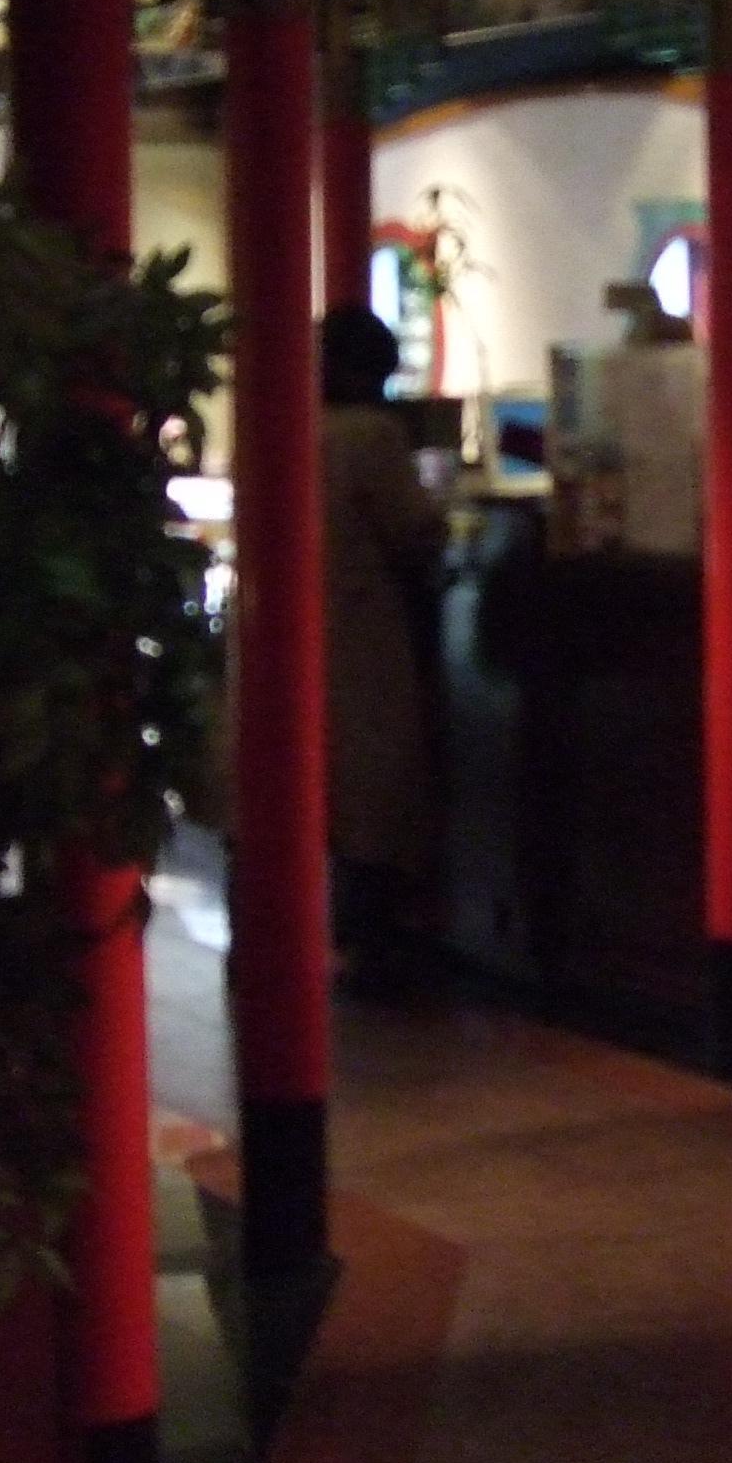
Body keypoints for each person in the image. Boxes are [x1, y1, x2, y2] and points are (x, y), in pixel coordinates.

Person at [318, 302, 450, 992]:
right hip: (361, 632)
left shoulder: (283, 426)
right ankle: (370, 943)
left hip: (301, 638)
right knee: (374, 789)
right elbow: (415, 530)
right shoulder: (370, 436)